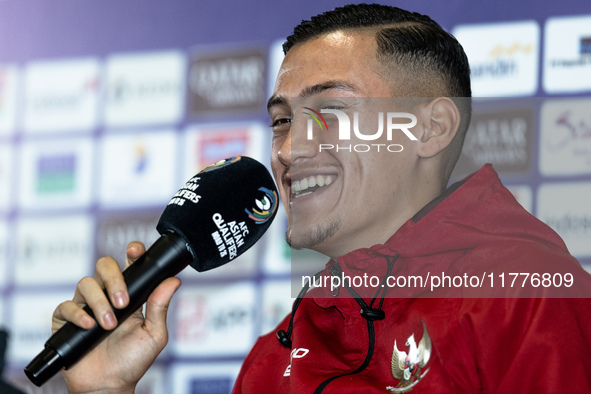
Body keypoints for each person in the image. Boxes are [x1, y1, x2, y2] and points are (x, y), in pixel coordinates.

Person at [52, 4, 591, 393]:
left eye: (329, 112)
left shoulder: (533, 299)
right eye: (282, 121)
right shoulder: (278, 349)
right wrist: (105, 392)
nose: (290, 150)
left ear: (431, 129)